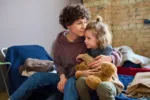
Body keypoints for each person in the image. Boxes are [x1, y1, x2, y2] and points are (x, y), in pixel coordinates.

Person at [9, 3, 122, 100]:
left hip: (77, 76)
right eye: (79, 23)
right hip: (65, 76)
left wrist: (110, 58)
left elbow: (112, 50)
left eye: (85, 22)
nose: (84, 26)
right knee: (37, 77)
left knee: (68, 85)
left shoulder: (87, 39)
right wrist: (62, 77)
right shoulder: (58, 43)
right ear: (68, 25)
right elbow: (58, 63)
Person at [76, 16, 124, 100]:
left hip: (110, 82)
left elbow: (118, 56)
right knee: (80, 82)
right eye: (85, 38)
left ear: (99, 39)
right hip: (93, 81)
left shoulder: (107, 50)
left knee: (103, 86)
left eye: (88, 38)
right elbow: (86, 66)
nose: (85, 41)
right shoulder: (89, 50)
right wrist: (81, 70)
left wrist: (84, 56)